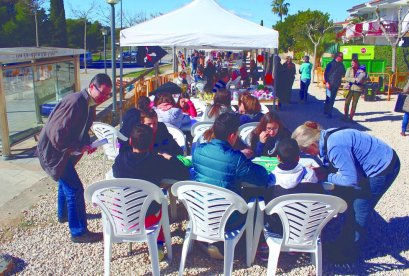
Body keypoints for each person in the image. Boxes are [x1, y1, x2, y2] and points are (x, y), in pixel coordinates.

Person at [291, 121, 400, 263]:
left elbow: (350, 180)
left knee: (359, 209)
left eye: (304, 151)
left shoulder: (335, 145)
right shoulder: (325, 137)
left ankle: (349, 253)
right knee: (350, 202)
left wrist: (325, 176)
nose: (305, 154)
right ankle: (343, 241)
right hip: (376, 159)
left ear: (312, 145)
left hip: (382, 167)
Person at [37, 73, 112, 243]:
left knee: (66, 185)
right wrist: (77, 147)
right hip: (54, 152)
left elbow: (82, 129)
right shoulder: (76, 101)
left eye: (108, 95)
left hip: (64, 152)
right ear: (92, 87)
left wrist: (87, 144)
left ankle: (64, 215)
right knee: (75, 189)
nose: (104, 98)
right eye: (102, 93)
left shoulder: (89, 104)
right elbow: (56, 134)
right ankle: (78, 232)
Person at [192, 112, 270, 259]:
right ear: (233, 136)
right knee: (255, 197)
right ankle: (251, 244)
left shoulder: (198, 151)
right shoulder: (236, 159)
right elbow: (262, 178)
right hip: (227, 218)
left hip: (200, 211)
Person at [112, 124, 189, 260]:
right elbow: (182, 173)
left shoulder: (120, 160)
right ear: (151, 143)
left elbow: (115, 172)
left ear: (130, 141)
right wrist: (169, 158)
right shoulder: (156, 161)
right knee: (159, 205)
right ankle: (158, 246)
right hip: (148, 214)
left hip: (124, 212)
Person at [323, 52, 346, 118]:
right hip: (329, 84)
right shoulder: (330, 64)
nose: (341, 58)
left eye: (342, 57)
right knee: (328, 98)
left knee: (332, 99)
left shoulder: (341, 65)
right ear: (336, 56)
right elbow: (326, 74)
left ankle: (329, 113)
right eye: (340, 57)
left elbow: (343, 73)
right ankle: (326, 110)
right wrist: (327, 82)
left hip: (336, 84)